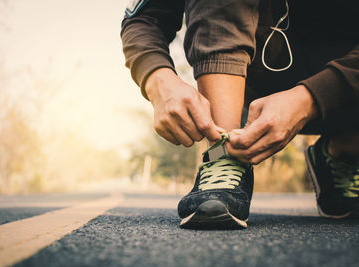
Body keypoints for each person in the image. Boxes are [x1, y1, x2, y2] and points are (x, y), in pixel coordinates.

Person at [121, 0, 359, 229]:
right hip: (250, 74)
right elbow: (143, 18)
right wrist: (157, 78)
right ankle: (224, 159)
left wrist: (311, 97)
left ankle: (343, 150)